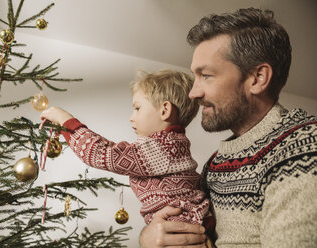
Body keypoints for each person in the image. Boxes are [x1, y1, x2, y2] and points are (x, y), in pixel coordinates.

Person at [139, 7, 317, 248]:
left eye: (207, 76)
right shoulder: (215, 165)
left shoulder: (303, 147)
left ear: (257, 78)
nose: (193, 92)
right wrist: (148, 236)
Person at [40, 70, 214, 229]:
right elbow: (116, 152)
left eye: (137, 108)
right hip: (192, 220)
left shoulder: (161, 147)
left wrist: (65, 121)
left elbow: (101, 154)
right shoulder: (174, 144)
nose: (132, 117)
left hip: (183, 225)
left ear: (165, 110)